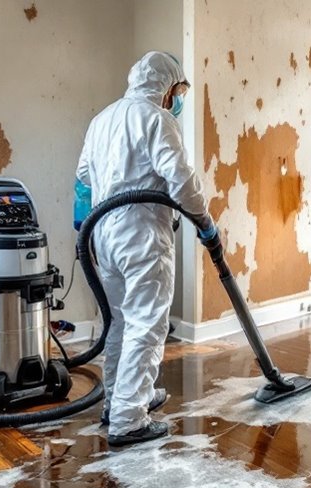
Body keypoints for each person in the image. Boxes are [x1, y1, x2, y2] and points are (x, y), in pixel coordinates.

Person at [76, 51, 217, 447]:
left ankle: (118, 400)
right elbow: (182, 181)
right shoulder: (158, 119)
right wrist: (205, 223)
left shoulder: (102, 119)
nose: (179, 99)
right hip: (141, 234)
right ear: (167, 86)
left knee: (121, 321)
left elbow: (84, 176)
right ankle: (128, 419)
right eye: (179, 91)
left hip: (103, 234)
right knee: (148, 323)